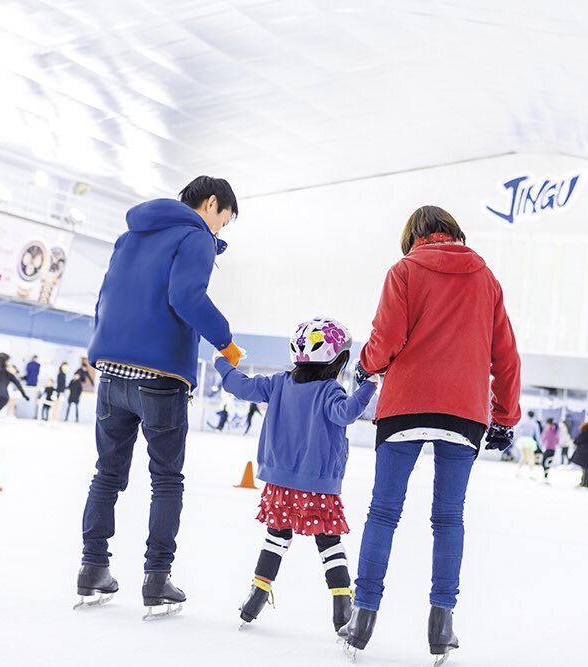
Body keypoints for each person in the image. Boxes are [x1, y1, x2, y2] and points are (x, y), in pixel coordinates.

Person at [339, 205, 521, 661]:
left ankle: (362, 620)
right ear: (453, 233)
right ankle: (442, 626)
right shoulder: (486, 279)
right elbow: (507, 355)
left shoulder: (403, 272)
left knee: (383, 514)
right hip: (464, 412)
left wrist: (365, 366)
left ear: (414, 237)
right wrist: (505, 416)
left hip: (405, 406)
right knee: (448, 519)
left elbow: (387, 337)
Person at [75, 176, 243, 616]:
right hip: (161, 376)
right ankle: (156, 578)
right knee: (166, 479)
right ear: (211, 204)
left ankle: (92, 569)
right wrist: (226, 342)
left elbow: (104, 298)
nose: (219, 232)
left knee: (106, 475)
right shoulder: (195, 237)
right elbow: (186, 297)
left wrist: (103, 348)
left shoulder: (130, 235)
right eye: (223, 221)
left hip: (112, 372)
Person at [217, 317, 377, 631]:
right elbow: (345, 414)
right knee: (328, 543)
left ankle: (256, 596)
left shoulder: (277, 383)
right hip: (317, 483)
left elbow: (240, 386)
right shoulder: (330, 390)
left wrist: (222, 363)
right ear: (339, 359)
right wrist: (369, 386)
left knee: (276, 538)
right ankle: (342, 607)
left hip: (279, 483)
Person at [0, 353, 29, 446]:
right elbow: (18, 385)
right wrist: (25, 396)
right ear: (5, 362)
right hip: (4, 397)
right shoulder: (9, 375)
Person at [514, 411, 541, 479]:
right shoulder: (534, 424)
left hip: (522, 440)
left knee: (523, 457)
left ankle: (518, 472)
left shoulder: (523, 422)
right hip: (529, 440)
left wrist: (515, 438)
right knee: (531, 457)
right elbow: (537, 435)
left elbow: (517, 431)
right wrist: (539, 444)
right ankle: (531, 473)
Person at [540, 418, 559, 482]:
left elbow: (544, 438)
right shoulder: (554, 430)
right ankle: (545, 476)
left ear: (548, 423)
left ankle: (545, 476)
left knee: (545, 463)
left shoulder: (549, 430)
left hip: (549, 449)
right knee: (547, 463)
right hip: (552, 449)